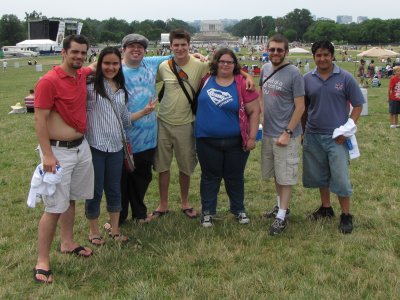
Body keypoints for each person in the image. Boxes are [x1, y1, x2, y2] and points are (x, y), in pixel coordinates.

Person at [150, 28, 254, 221]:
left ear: (189, 46)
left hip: (187, 122)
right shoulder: (164, 66)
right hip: (163, 121)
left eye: (183, 45)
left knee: (185, 166)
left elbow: (226, 66)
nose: (180, 48)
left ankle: (185, 202)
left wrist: (247, 76)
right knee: (163, 166)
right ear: (170, 46)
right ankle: (163, 204)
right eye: (176, 45)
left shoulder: (199, 65)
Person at [33, 34, 96, 284]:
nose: (79, 56)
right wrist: (47, 154)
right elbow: (39, 120)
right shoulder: (48, 81)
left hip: (81, 148)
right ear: (64, 52)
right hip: (58, 153)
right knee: (53, 208)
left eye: (83, 53)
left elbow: (100, 63)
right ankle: (42, 261)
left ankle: (68, 242)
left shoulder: (81, 75)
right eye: (75, 52)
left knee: (70, 200)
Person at [85, 46, 154, 245]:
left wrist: (144, 111)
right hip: (96, 147)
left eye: (115, 63)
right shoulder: (90, 87)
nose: (111, 67)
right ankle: (94, 231)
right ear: (99, 64)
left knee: (115, 189)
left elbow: (124, 120)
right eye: (106, 63)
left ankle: (115, 229)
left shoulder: (121, 90)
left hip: (116, 148)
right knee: (95, 190)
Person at [302, 40, 365, 234]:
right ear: (314, 57)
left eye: (326, 55)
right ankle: (326, 208)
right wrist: (303, 132)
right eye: (318, 55)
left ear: (332, 56)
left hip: (337, 137)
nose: (322, 59)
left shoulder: (345, 78)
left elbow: (358, 105)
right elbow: (303, 108)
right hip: (313, 135)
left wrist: (348, 129)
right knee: (320, 175)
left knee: (341, 177)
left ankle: (346, 214)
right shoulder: (307, 79)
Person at [195, 48, 259, 227]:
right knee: (209, 177)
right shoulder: (205, 79)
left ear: (234, 65)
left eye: (229, 62)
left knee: (235, 177)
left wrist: (252, 137)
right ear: (216, 63)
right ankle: (207, 211)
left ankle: (238, 209)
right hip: (206, 140)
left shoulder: (242, 83)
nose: (225, 65)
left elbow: (254, 111)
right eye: (221, 61)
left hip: (235, 141)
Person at [118, 34, 172, 225]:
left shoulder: (149, 64)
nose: (136, 49)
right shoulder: (116, 69)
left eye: (140, 47)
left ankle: (139, 213)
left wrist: (198, 56)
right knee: (123, 179)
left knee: (143, 177)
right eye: (131, 46)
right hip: (123, 135)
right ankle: (120, 216)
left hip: (148, 135)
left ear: (145, 50)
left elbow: (177, 56)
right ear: (123, 49)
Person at [259, 34, 305, 236]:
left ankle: (282, 217)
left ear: (286, 52)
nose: (275, 53)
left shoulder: (294, 73)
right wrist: (262, 115)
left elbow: (300, 106)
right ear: (267, 50)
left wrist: (288, 131)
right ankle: (280, 207)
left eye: (279, 50)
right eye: (272, 49)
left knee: (285, 176)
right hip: (268, 132)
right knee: (277, 173)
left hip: (286, 134)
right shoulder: (265, 69)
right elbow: (261, 93)